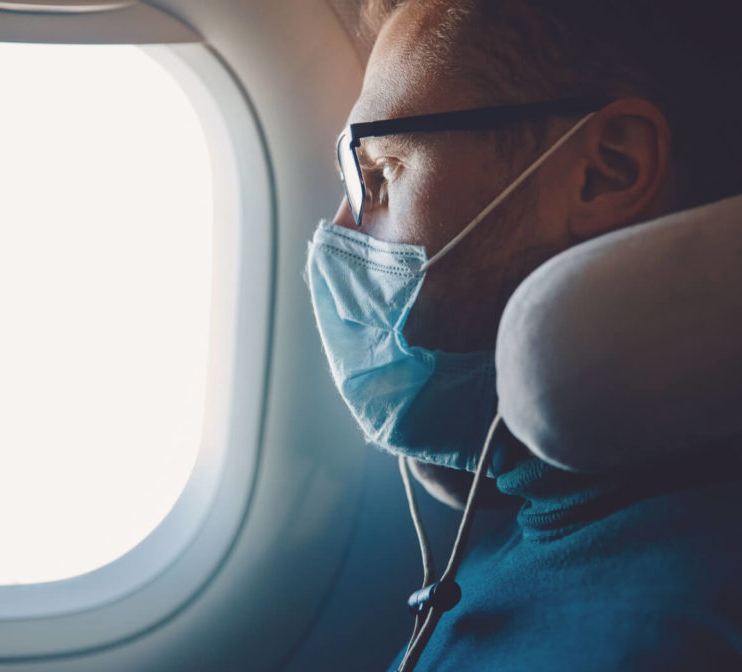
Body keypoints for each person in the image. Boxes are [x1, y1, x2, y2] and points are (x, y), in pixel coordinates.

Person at [306, 1, 742, 669]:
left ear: (608, 170)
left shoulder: (680, 632)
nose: (342, 230)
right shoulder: (515, 532)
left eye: (380, 175)